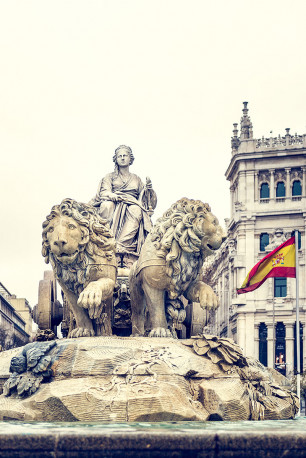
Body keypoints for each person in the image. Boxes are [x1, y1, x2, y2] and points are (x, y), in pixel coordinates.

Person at [90, 145, 157, 260]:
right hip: (114, 201)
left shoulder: (136, 179)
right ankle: (106, 240)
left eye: (125, 155)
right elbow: (104, 192)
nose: (122, 158)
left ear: (130, 158)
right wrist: (112, 195)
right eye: (119, 156)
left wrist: (149, 189)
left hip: (132, 203)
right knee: (107, 205)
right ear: (115, 159)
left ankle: (121, 245)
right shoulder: (109, 177)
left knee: (136, 210)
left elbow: (145, 199)